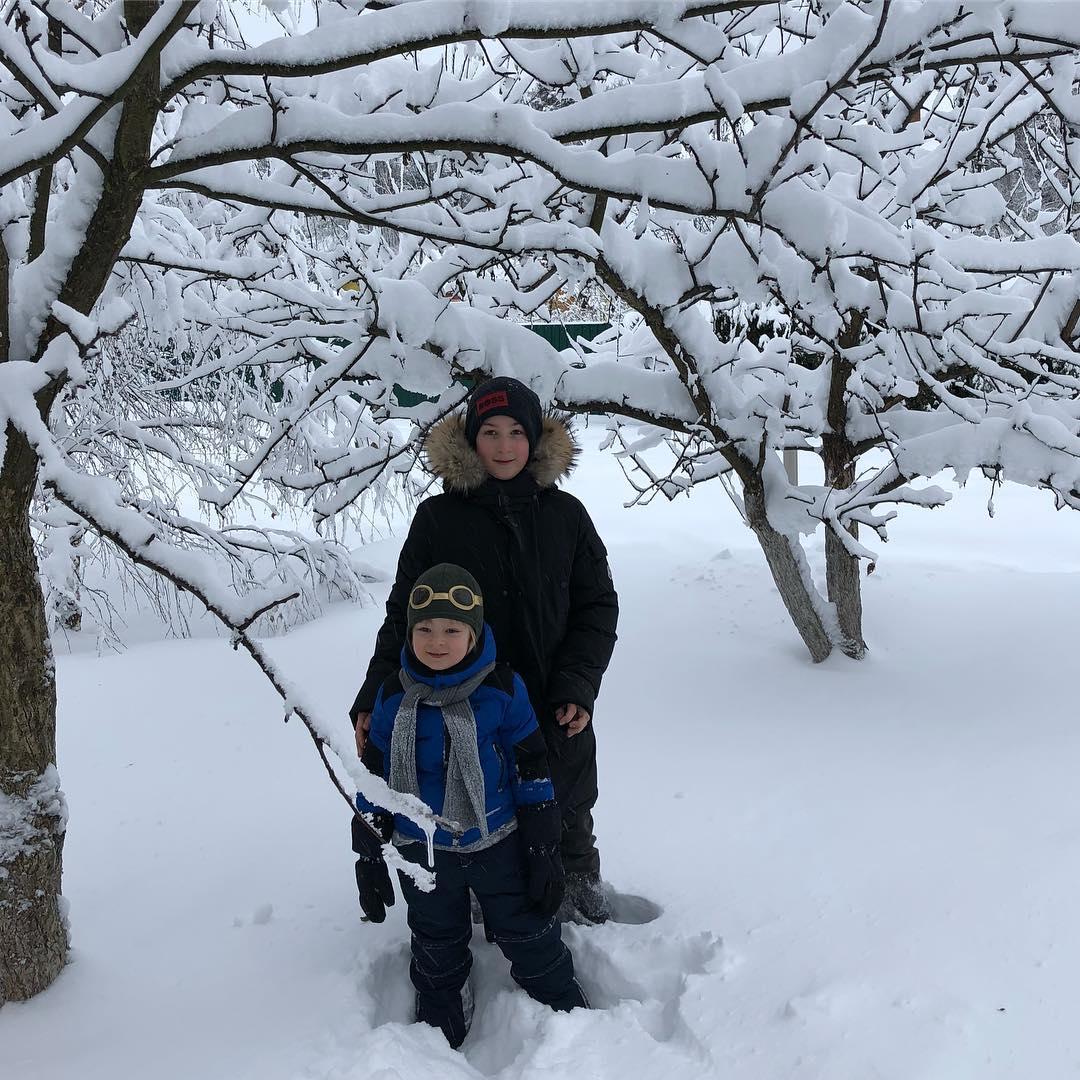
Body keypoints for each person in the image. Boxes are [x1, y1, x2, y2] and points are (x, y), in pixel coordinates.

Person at [349, 376, 619, 922]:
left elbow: (597, 607)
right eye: (490, 432)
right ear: (471, 440)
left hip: (552, 705)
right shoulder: (437, 520)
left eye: (516, 432)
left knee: (566, 813)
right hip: (464, 712)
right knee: (475, 817)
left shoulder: (566, 516)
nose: (503, 446)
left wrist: (578, 685)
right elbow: (404, 615)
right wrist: (373, 692)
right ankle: (481, 914)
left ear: (534, 439)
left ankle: (583, 914)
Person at [350, 563, 589, 1048]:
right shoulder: (393, 695)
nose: (437, 642)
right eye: (424, 629)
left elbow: (530, 768)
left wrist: (543, 846)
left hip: (497, 840)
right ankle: (442, 1012)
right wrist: (369, 852)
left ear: (474, 633)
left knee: (526, 927)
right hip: (422, 849)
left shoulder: (502, 688)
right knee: (434, 937)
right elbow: (374, 778)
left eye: (452, 630)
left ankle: (562, 1004)